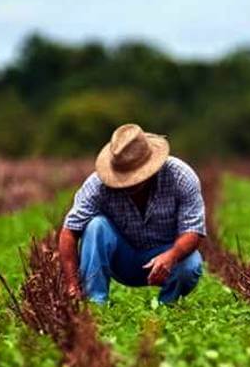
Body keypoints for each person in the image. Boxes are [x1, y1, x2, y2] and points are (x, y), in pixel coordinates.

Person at [58, 123, 206, 305]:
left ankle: (167, 307)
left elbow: (194, 231)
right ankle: (95, 305)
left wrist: (171, 255)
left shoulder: (181, 177)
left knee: (190, 264)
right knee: (96, 226)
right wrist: (72, 284)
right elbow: (69, 231)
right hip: (122, 259)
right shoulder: (97, 185)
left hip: (165, 255)